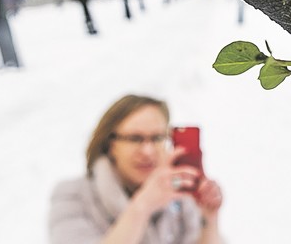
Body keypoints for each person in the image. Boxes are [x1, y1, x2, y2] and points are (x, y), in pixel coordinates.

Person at [49, 95, 224, 244]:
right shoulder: (74, 195)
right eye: (135, 138)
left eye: (157, 138)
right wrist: (143, 205)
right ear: (111, 145)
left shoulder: (180, 197)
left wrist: (209, 219)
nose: (147, 151)